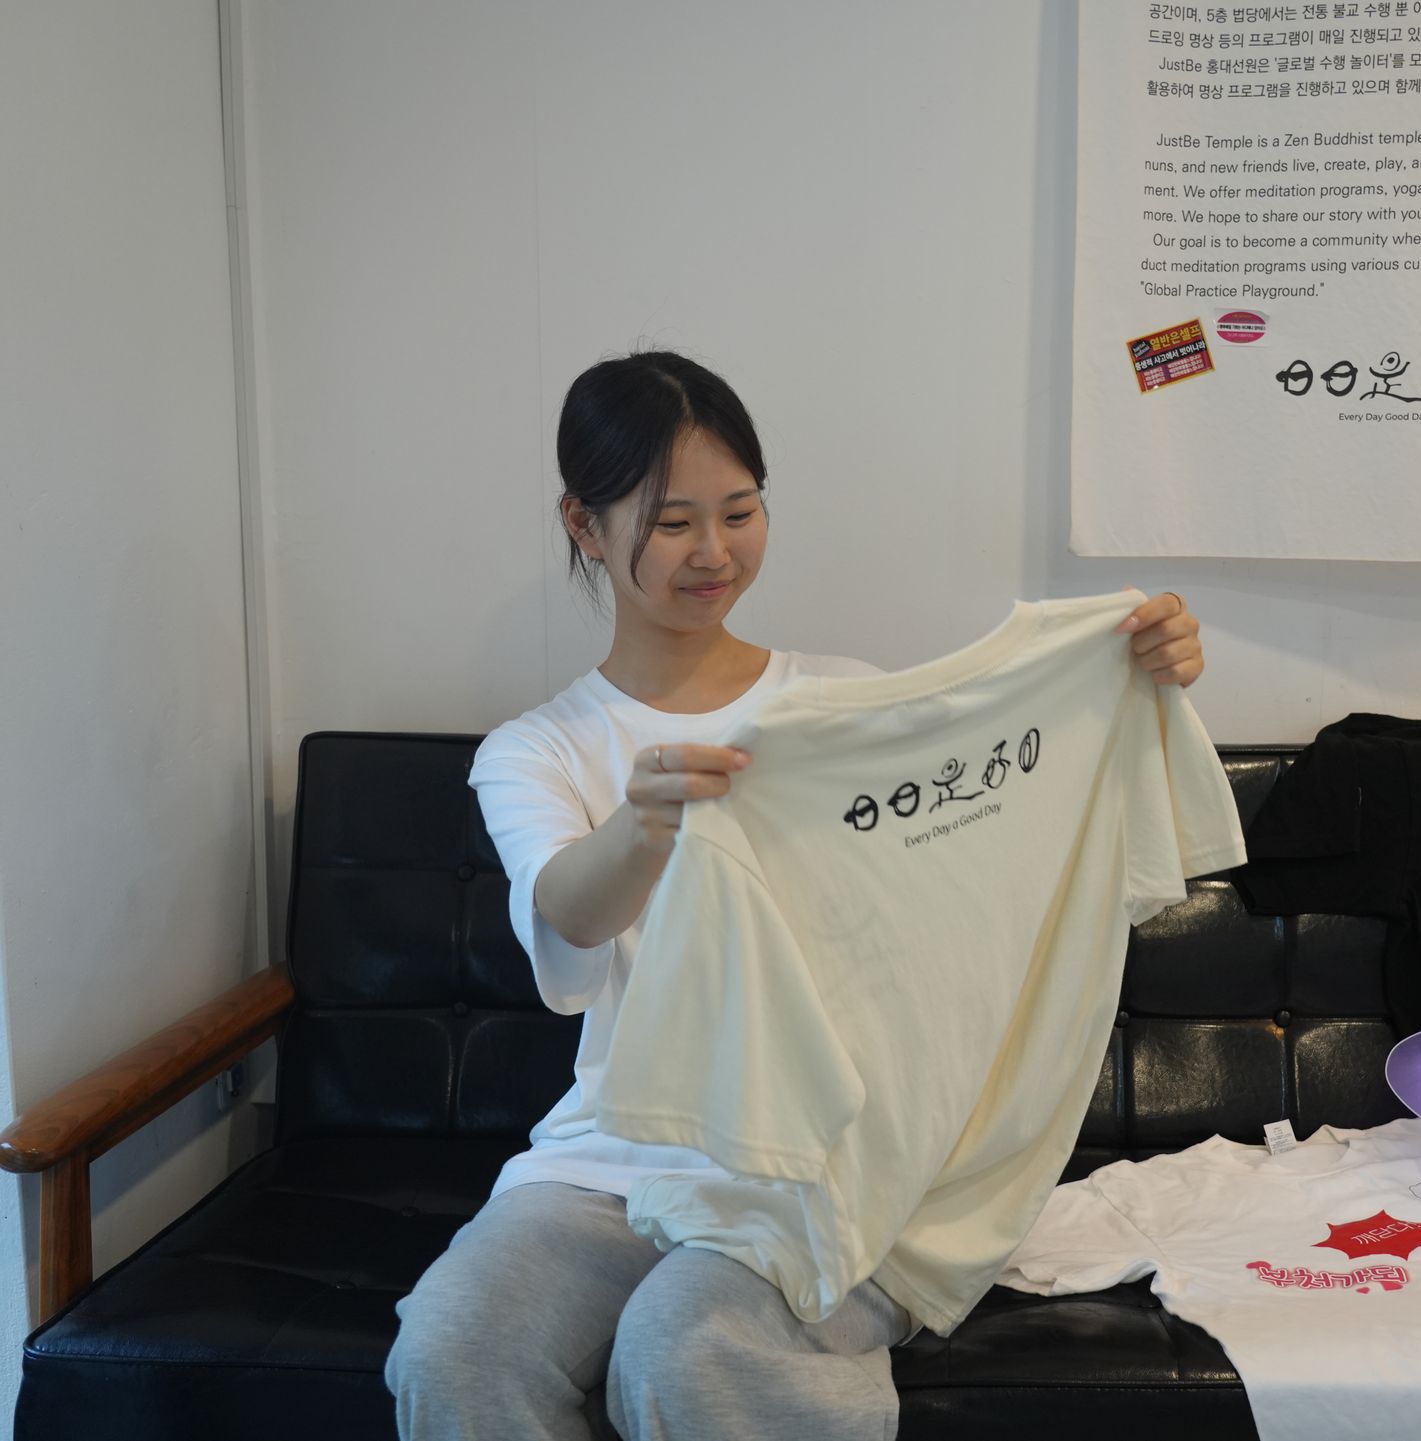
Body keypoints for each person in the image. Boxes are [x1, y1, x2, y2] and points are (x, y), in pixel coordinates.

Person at [383, 350, 1208, 1441]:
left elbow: (971, 885)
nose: (715, 551)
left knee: (692, 1344)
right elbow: (564, 924)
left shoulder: (844, 703)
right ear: (585, 526)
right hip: (614, 1156)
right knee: (453, 1347)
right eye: (673, 522)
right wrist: (644, 823)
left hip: (830, 1160)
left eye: (741, 511)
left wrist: (1127, 671)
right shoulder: (540, 750)